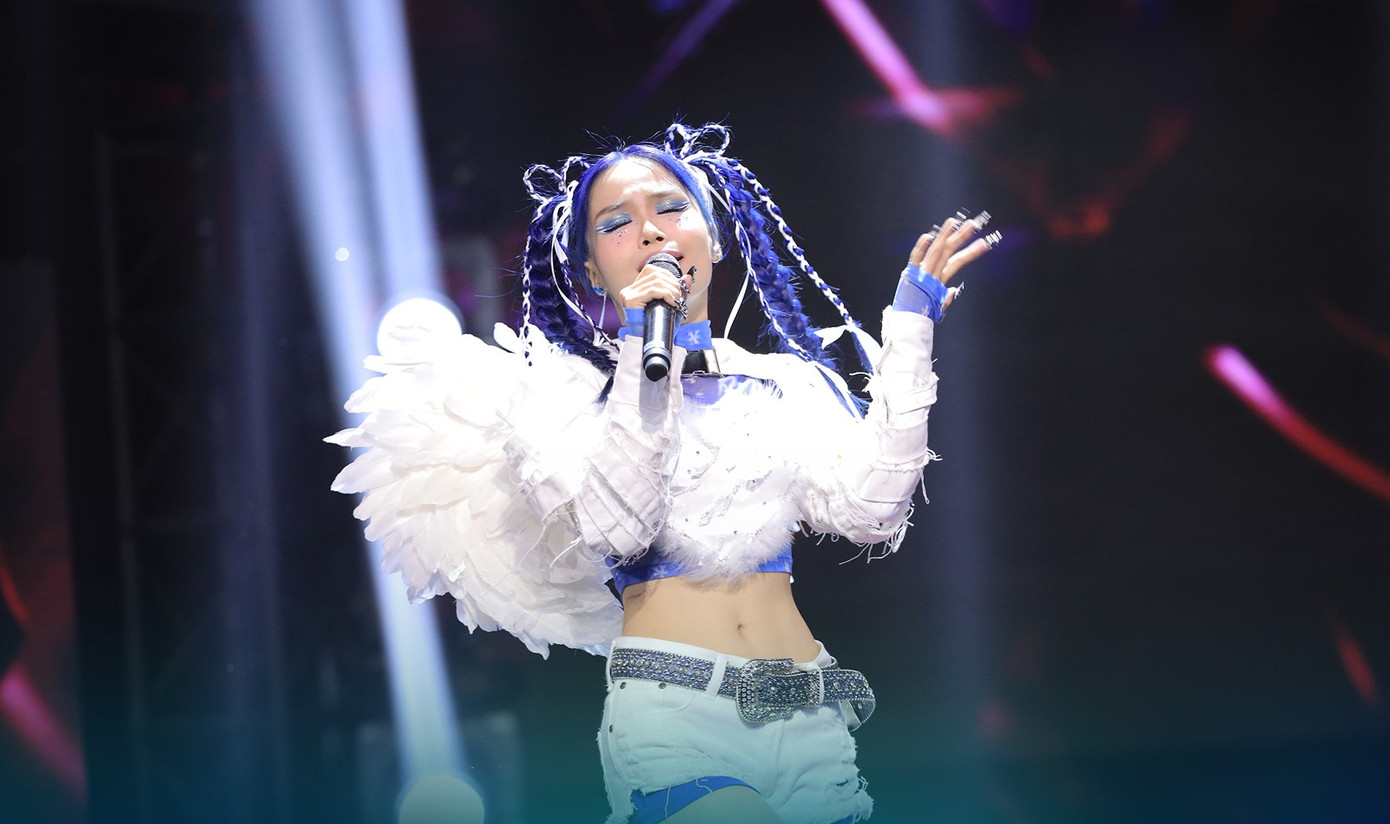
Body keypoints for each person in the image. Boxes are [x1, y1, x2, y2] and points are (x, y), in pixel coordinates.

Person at [329, 122, 998, 823]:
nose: (650, 231)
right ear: (592, 270)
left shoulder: (781, 382)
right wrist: (643, 351)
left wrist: (911, 332)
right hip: (678, 717)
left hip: (808, 715)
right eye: (616, 223)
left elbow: (871, 510)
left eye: (672, 209)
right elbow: (621, 529)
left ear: (715, 238)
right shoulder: (570, 404)